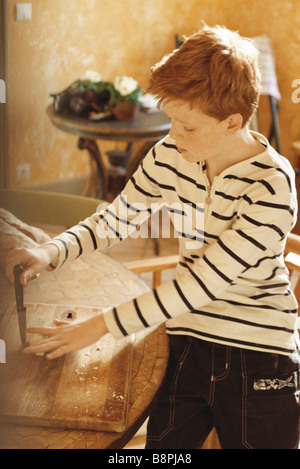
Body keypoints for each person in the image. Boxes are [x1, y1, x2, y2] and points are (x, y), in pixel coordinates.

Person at [6, 24, 300, 449]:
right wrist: (48, 252)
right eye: (171, 120)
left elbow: (206, 283)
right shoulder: (170, 154)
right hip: (184, 340)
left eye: (188, 126)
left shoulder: (272, 184)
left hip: (260, 355)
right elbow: (114, 221)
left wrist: (103, 326)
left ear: (232, 121)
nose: (172, 136)